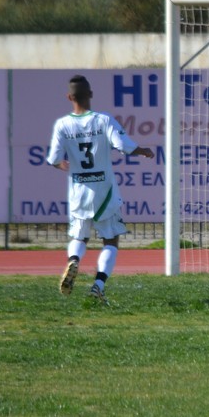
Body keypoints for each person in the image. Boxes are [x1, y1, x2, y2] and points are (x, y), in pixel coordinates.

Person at [46, 74, 155, 304]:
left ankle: (74, 260)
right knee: (111, 241)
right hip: (104, 192)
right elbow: (122, 144)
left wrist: (62, 165)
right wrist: (142, 150)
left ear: (69, 97)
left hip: (79, 191)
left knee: (79, 236)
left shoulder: (63, 125)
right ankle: (98, 285)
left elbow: (53, 158)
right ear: (91, 94)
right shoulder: (103, 120)